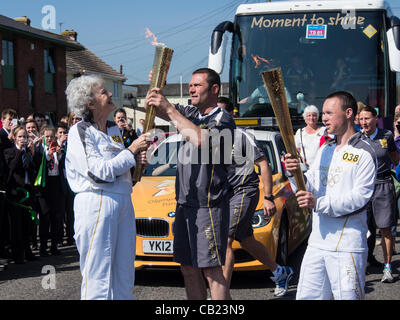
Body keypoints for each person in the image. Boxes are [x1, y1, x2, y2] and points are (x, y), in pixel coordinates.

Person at [146, 68, 236, 300]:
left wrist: (169, 110)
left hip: (209, 206)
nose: (191, 89)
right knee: (187, 268)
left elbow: (200, 140)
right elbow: (158, 109)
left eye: (197, 85)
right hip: (184, 204)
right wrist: (157, 86)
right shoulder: (191, 113)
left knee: (212, 271)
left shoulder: (223, 119)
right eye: (190, 85)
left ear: (214, 89)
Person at [284, 91, 376, 300]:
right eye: (323, 113)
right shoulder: (326, 148)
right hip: (317, 241)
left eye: (329, 113)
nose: (323, 118)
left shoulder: (366, 152)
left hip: (347, 246)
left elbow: (360, 199)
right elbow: (311, 185)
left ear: (349, 113)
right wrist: (294, 173)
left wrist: (318, 202)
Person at [65, 74, 149, 300]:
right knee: (98, 277)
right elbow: (97, 173)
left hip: (122, 200)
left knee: (124, 274)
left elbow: (121, 172)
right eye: (104, 92)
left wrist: (135, 166)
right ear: (89, 103)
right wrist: (131, 152)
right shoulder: (80, 131)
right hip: (96, 201)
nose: (111, 94)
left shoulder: (113, 130)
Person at [223, 128, 294, 297]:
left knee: (225, 240)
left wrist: (268, 197)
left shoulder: (242, 135)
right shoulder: (210, 135)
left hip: (245, 190)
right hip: (226, 195)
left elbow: (263, 164)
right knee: (246, 240)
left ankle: (221, 294)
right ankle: (279, 271)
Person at [358, 105, 399, 282]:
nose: (364, 122)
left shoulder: (387, 135)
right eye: (361, 119)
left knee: (385, 229)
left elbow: (395, 158)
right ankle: (361, 265)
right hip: (363, 188)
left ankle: (388, 267)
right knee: (361, 229)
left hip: (383, 185)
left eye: (367, 118)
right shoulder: (356, 139)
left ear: (376, 118)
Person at [4, 126, 38, 263]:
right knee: (17, 225)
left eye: (25, 137)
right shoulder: (9, 152)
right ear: (15, 138)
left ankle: (28, 251)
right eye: (20, 137)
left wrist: (32, 154)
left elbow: (34, 169)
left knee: (28, 223)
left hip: (29, 191)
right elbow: (11, 169)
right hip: (16, 193)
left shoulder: (29, 152)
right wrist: (19, 151)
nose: (23, 139)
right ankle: (18, 255)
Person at [36, 126, 65, 257]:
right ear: (42, 137)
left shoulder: (57, 150)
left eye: (51, 137)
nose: (49, 139)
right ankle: (43, 246)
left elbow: (62, 166)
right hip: (44, 187)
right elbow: (38, 164)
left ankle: (54, 245)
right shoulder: (39, 150)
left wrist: (59, 155)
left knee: (56, 217)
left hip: (56, 184)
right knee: (45, 217)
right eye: (46, 136)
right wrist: (48, 156)